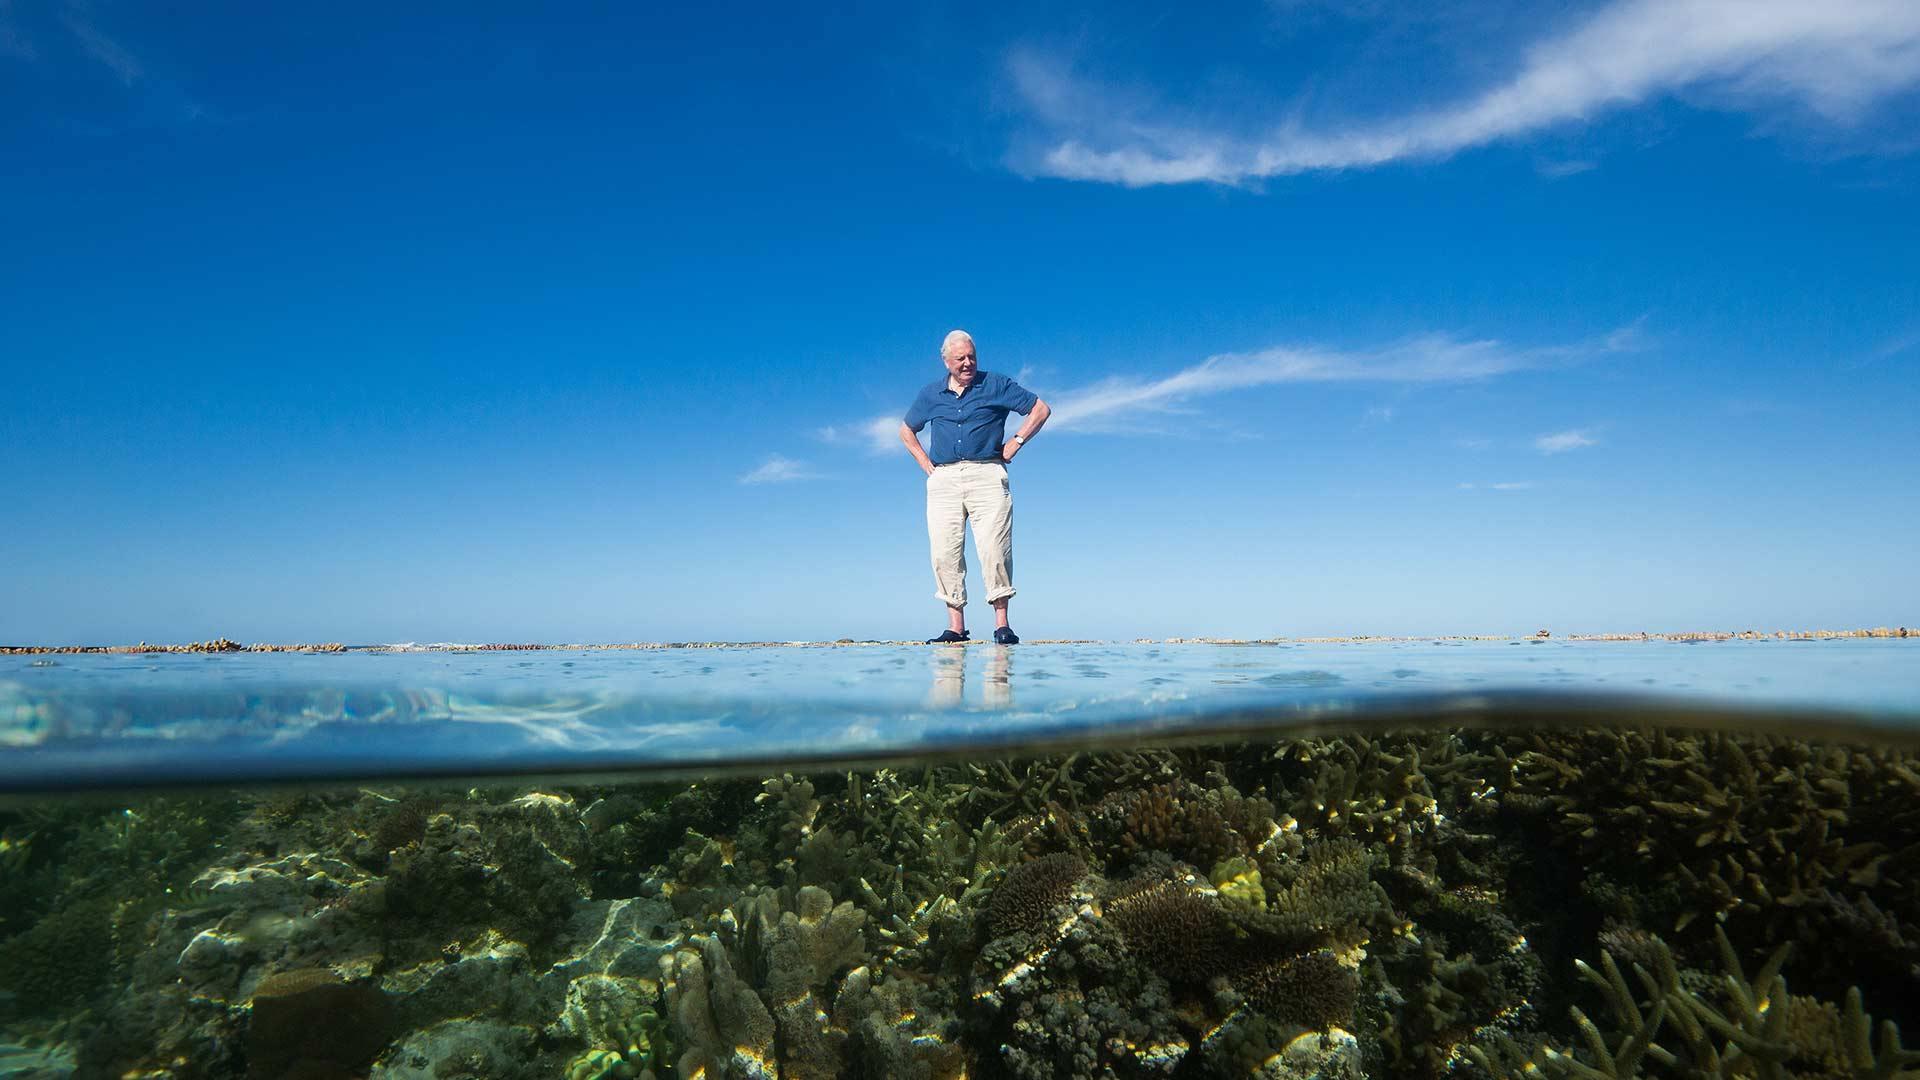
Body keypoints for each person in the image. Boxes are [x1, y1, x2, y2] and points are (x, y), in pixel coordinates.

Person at [899, 329, 1051, 644]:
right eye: (960, 359)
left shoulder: (996, 384)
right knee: (945, 552)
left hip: (987, 474)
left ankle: (1002, 625)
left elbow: (1040, 409)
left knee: (995, 548)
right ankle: (956, 628)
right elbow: (906, 430)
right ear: (946, 361)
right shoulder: (930, 394)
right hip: (943, 478)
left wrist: (1016, 441)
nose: (967, 363)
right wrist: (925, 463)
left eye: (972, 357)